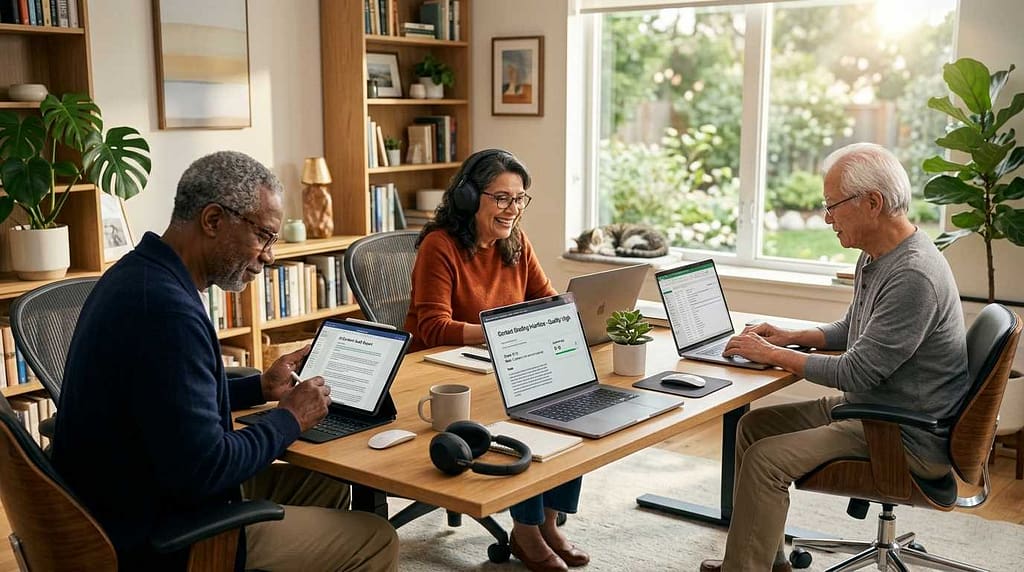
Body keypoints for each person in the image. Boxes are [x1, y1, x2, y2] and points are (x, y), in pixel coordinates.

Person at [52, 151, 399, 571]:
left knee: (321, 482)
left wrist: (259, 389)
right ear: (213, 220)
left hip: (125, 495)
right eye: (264, 237)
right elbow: (207, 468)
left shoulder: (138, 274)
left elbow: (167, 400)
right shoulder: (166, 312)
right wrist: (290, 417)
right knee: (376, 538)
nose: (269, 256)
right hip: (154, 535)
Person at [699, 142, 969, 572]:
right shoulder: (878, 254)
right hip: (877, 409)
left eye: (832, 206)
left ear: (873, 203)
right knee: (753, 426)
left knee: (767, 461)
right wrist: (790, 335)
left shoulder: (913, 275)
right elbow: (851, 331)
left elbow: (858, 370)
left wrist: (771, 354)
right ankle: (766, 563)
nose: (827, 218)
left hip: (899, 432)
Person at [404, 149, 589, 572]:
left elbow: (545, 299)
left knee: (570, 396)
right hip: (442, 371)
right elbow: (433, 327)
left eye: (520, 198)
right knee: (525, 413)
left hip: (500, 361)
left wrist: (572, 308)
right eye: (502, 198)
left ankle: (546, 520)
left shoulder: (515, 241)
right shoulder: (440, 245)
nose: (513, 209)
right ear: (470, 197)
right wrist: (501, 331)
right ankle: (525, 531)